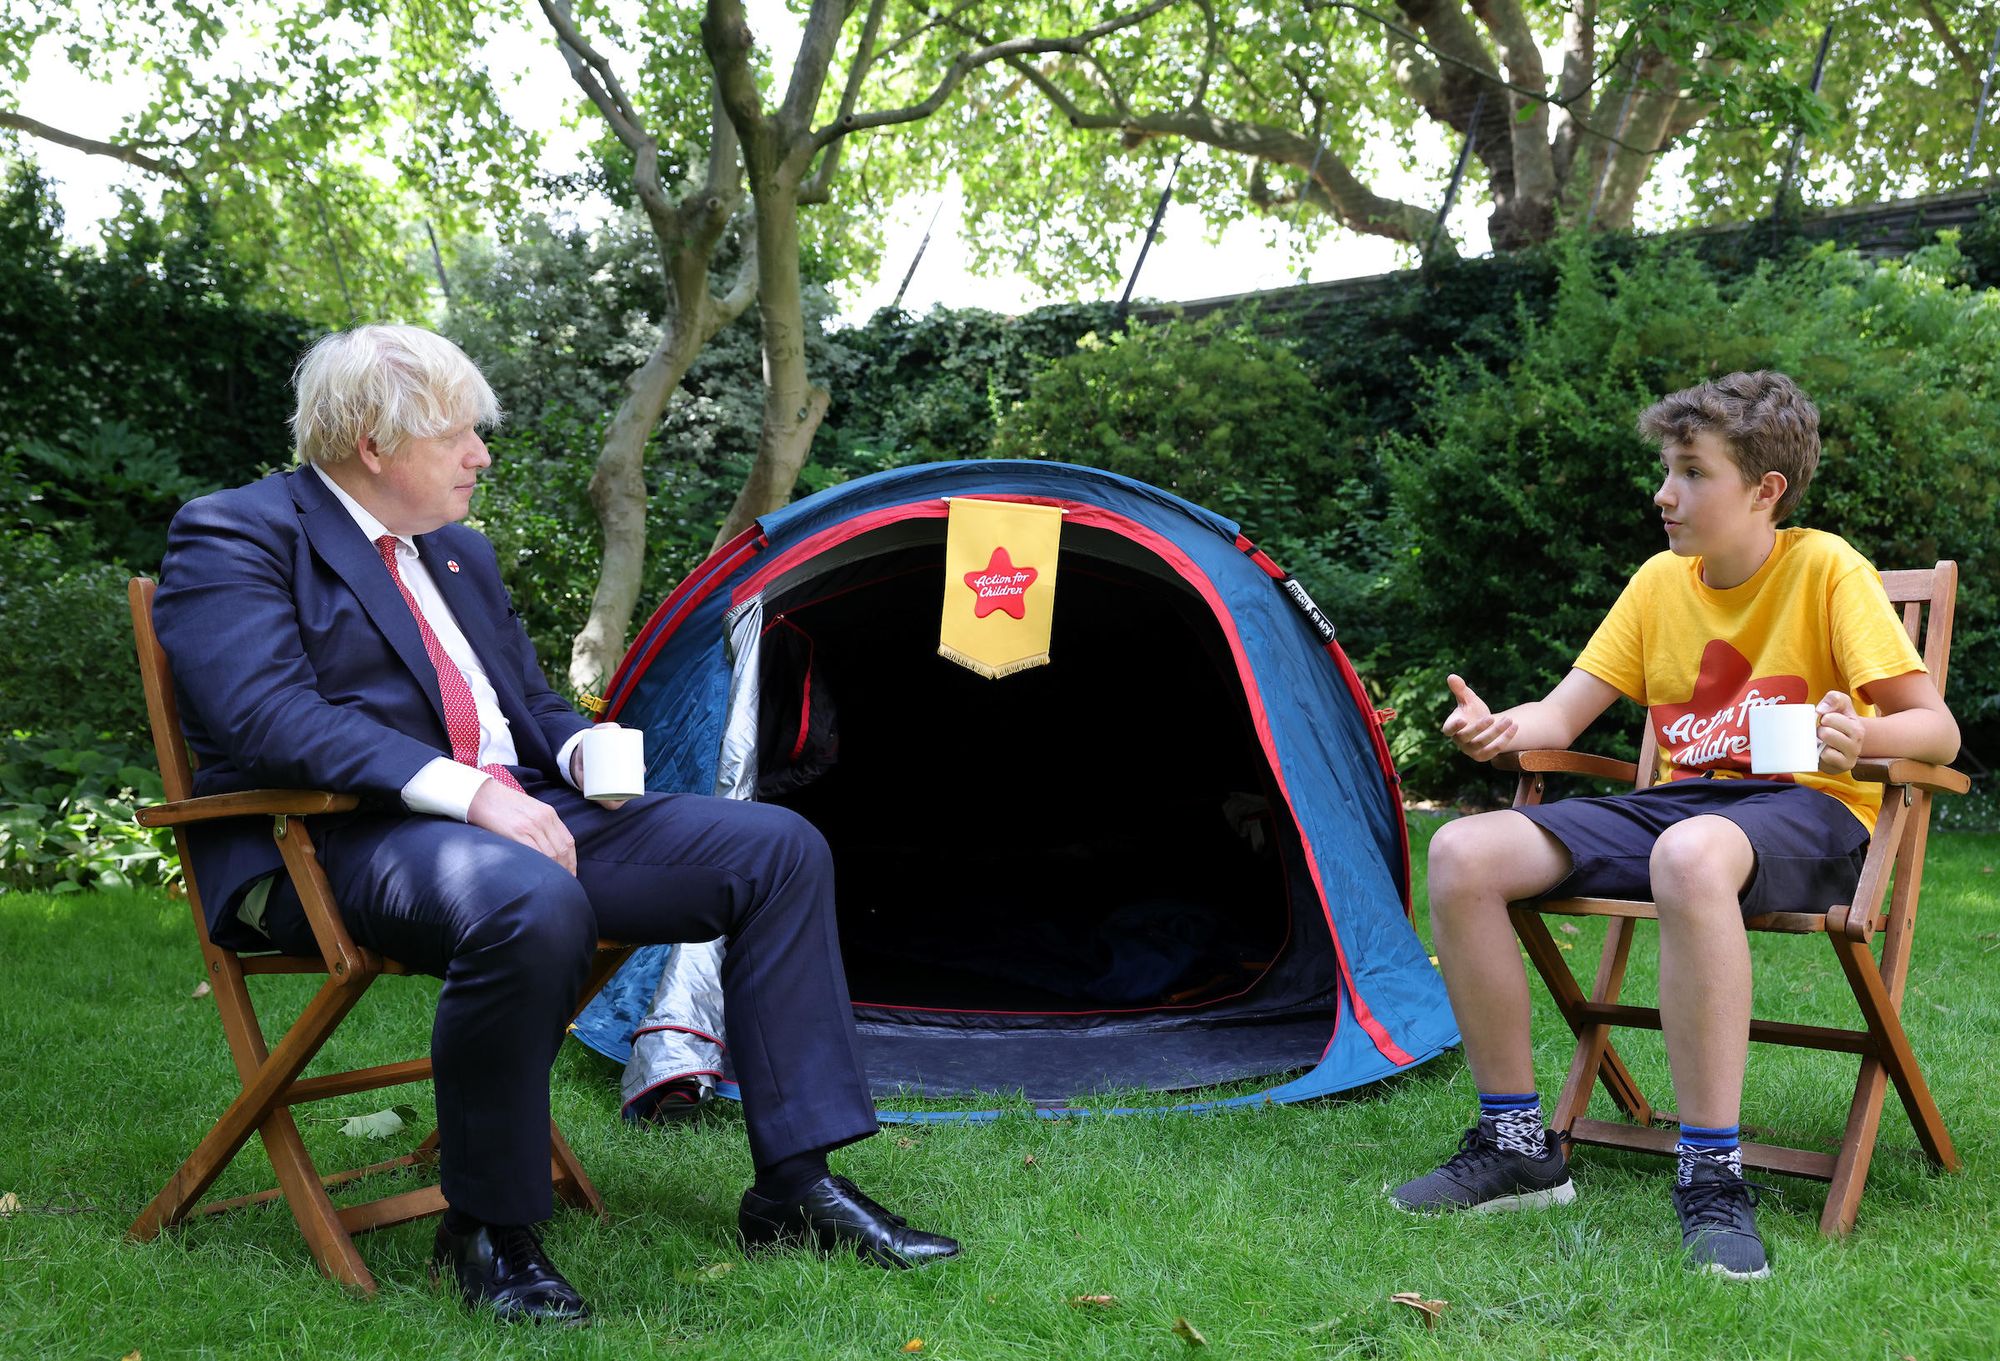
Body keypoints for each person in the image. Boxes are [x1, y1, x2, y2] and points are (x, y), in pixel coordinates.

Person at [152, 324, 958, 1325]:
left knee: (777, 848)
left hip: (520, 821)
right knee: (525, 900)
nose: (479, 455)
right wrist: (472, 789)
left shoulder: (455, 555)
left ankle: (793, 1187)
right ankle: (485, 1226)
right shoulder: (237, 532)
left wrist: (576, 751)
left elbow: (525, 708)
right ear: (372, 443)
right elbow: (262, 714)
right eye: (456, 435)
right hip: (336, 842)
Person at [1387, 371, 1959, 1281]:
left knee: (1687, 854)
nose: (1665, 493)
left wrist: (1866, 735)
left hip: (1807, 810)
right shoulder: (1659, 582)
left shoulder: (1825, 567)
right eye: (1667, 469)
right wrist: (1503, 730)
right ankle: (1516, 1145)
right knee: (1462, 849)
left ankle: (1710, 1175)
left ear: (1765, 489)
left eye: (1692, 471)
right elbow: (1561, 717)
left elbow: (1939, 730)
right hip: (1680, 805)